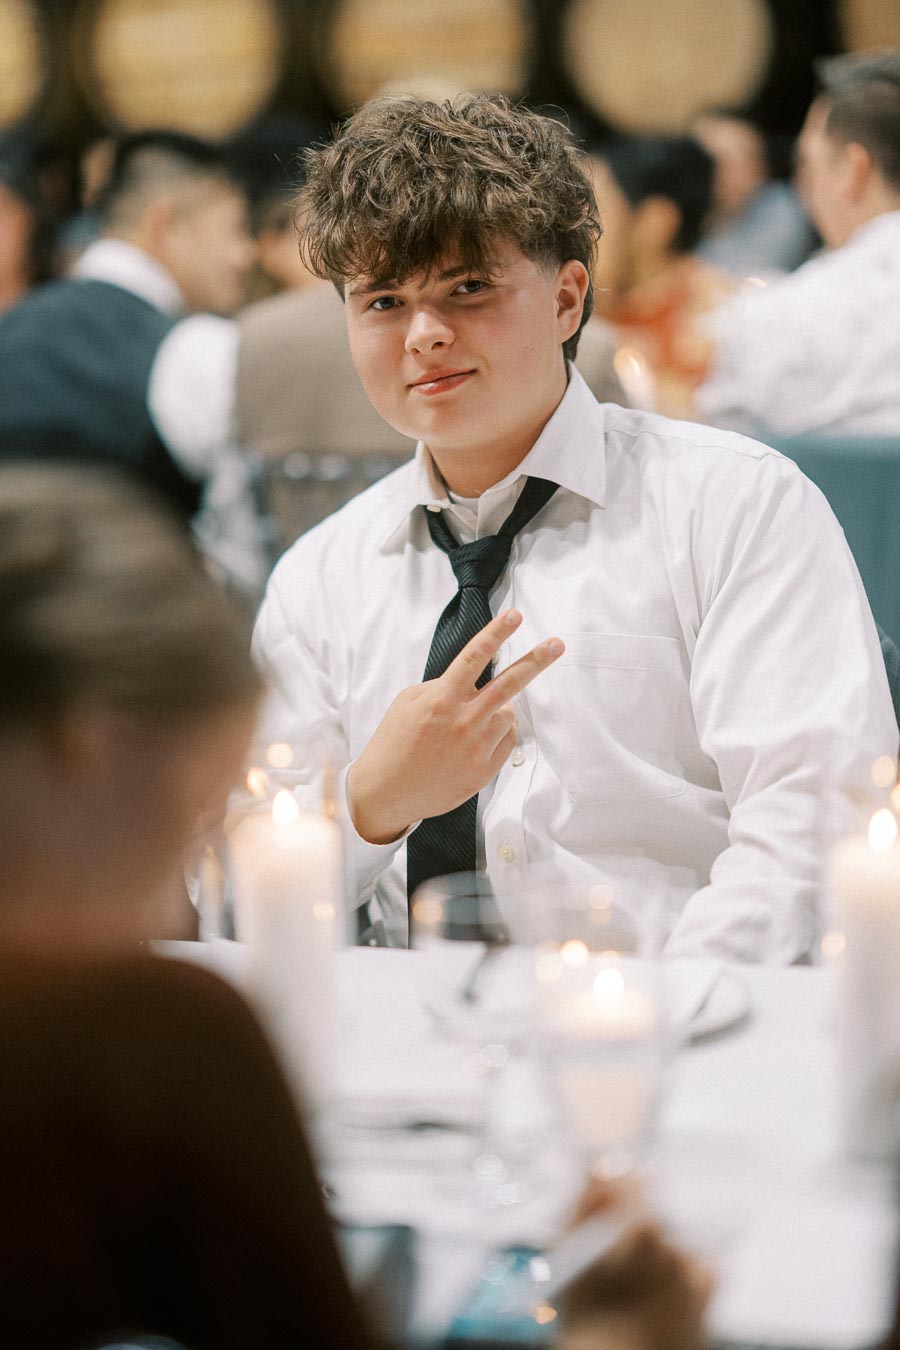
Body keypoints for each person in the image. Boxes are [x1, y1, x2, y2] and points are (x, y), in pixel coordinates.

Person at [0, 461, 710, 1350]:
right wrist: (615, 1337)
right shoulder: (155, 1039)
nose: (185, 864)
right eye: (195, 805)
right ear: (91, 753)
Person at [250, 92, 895, 961]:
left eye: (468, 288)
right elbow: (236, 897)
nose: (425, 334)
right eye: (384, 301)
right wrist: (370, 804)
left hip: (694, 1008)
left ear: (566, 298)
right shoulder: (319, 576)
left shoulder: (733, 505)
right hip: (399, 1023)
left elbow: (814, 825)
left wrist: (652, 1013)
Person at [0, 130, 261, 590]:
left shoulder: (13, 326)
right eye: (235, 229)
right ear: (165, 226)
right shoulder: (197, 349)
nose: (245, 256)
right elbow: (243, 558)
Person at [697, 51, 900, 436]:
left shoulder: (772, 319)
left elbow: (721, 448)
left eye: (809, 163)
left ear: (852, 170)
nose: (802, 186)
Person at [586, 134, 734, 417]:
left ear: (655, 222)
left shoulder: (713, 316)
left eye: (595, 209)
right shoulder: (582, 304)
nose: (576, 228)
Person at [692, 112, 815, 278]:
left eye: (742, 159)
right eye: (718, 160)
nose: (727, 172)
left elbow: (751, 275)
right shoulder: (675, 212)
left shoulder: (785, 209)